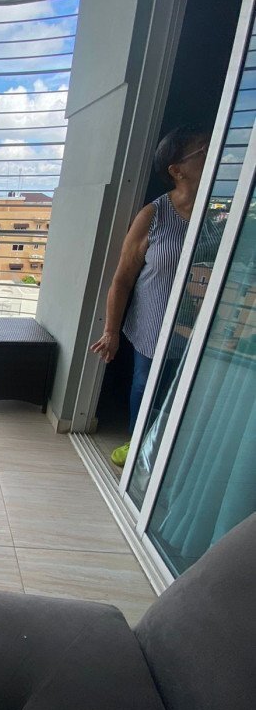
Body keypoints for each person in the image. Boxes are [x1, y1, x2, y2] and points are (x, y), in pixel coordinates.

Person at [90, 124, 212, 467]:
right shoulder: (154, 215)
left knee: (187, 392)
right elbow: (122, 278)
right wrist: (111, 332)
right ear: (177, 171)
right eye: (203, 150)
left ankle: (172, 456)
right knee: (146, 388)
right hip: (153, 325)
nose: (214, 153)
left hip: (200, 326)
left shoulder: (221, 214)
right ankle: (138, 446)